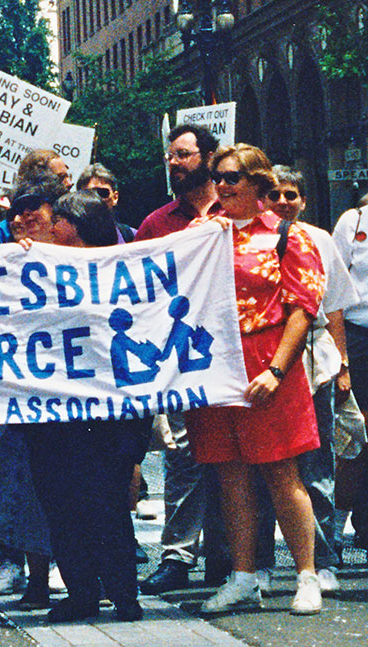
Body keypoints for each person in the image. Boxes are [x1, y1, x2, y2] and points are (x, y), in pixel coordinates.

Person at [187, 144, 324, 616]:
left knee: (282, 472)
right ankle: (243, 574)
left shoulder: (289, 236)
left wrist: (277, 369)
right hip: (215, 364)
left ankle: (306, 574)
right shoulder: (202, 235)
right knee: (230, 473)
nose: (222, 186)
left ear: (259, 184)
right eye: (217, 178)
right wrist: (202, 230)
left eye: (232, 178)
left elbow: (302, 309)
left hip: (269, 360)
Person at [18, 190, 149, 623]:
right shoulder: (31, 266)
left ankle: (123, 593)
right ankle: (82, 593)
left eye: (59, 219)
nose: (50, 224)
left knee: (108, 505)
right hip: (53, 414)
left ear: (79, 226)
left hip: (110, 415)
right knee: (61, 505)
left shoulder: (123, 269)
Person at [138, 124, 231, 596]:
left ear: (209, 158)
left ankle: (228, 554)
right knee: (183, 457)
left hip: (232, 358)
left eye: (184, 155)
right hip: (181, 361)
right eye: (170, 156)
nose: (174, 163)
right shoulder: (156, 225)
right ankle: (177, 555)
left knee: (234, 455)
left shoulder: (238, 214)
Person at [253, 166, 354, 594]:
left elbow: (333, 308)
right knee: (261, 466)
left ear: (304, 200)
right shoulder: (247, 240)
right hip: (261, 358)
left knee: (316, 464)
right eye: (274, 194)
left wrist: (343, 364)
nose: (282, 202)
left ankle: (325, 558)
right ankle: (256, 564)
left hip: (313, 358)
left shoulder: (319, 239)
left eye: (291, 194)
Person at [0, 176, 67, 609]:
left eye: (35, 208)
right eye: (17, 209)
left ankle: (94, 578)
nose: (23, 217)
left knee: (75, 488)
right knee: (25, 488)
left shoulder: (81, 254)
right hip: (17, 394)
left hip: (71, 395)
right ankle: (34, 578)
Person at [332, 190, 368, 548]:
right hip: (359, 340)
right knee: (356, 441)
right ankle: (334, 530)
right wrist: (342, 362)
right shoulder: (353, 221)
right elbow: (335, 294)